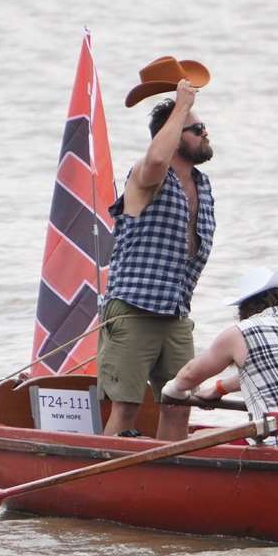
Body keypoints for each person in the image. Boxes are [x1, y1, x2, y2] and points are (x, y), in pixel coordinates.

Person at [97, 77, 217, 440]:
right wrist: (180, 106)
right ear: (175, 133)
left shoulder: (202, 183)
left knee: (179, 404)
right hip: (134, 308)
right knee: (126, 407)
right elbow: (157, 157)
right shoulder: (147, 176)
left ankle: (170, 480)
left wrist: (185, 114)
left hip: (176, 313)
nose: (205, 133)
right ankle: (108, 483)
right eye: (196, 129)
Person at [161, 268, 278, 450]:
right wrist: (220, 388)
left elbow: (189, 376)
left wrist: (171, 391)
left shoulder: (240, 332)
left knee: (197, 438)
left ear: (243, 308)